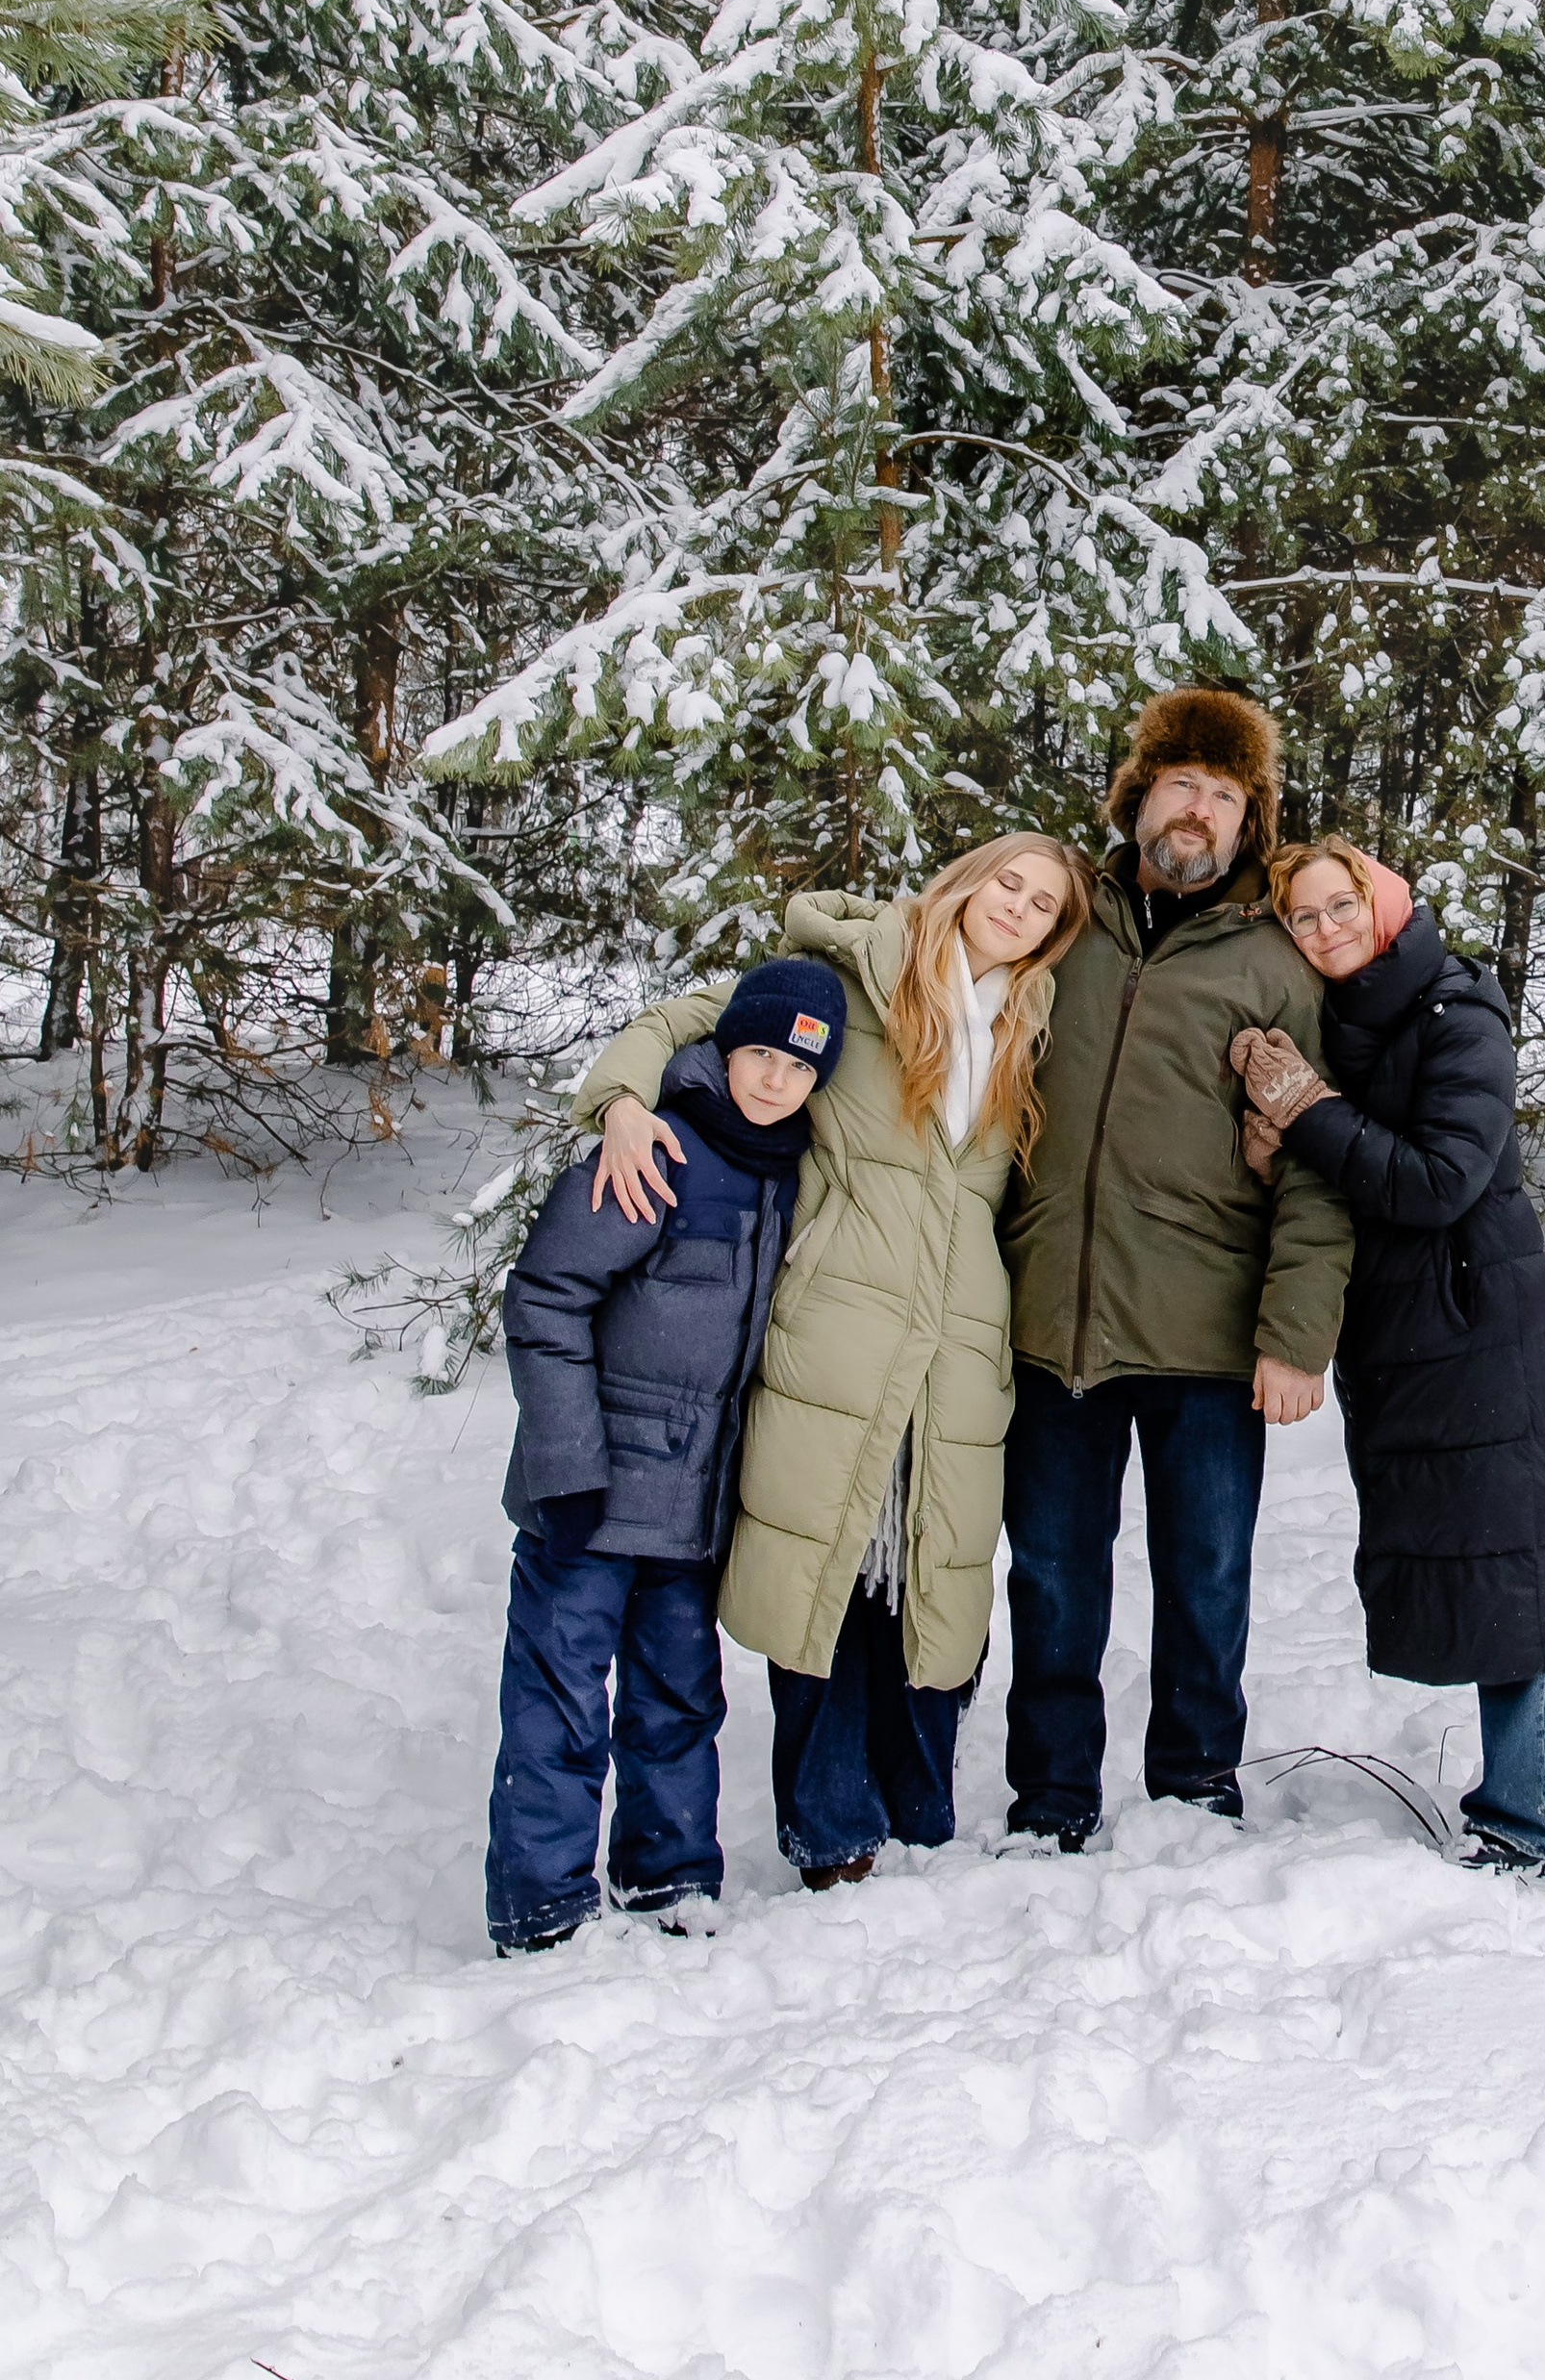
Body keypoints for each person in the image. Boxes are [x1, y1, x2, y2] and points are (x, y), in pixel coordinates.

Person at [577, 834, 1091, 1886]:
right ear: (965, 878)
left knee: (932, 1575)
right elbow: (685, 1023)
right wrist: (622, 1104)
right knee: (825, 1571)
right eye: (1009, 882)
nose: (1019, 909)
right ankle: (828, 1831)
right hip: (837, 1331)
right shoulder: (851, 982)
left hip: (958, 1346)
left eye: (1044, 905)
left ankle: (916, 1817)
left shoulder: (1031, 1027)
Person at [1230, 836, 1545, 1874]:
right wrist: (1283, 1140)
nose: (1322, 930)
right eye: (1301, 918)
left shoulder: (1458, 1009)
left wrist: (1311, 1115)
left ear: (1384, 901)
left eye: (1338, 906)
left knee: (1511, 1579)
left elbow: (1438, 1179)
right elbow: (1347, 1163)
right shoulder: (1347, 1019)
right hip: (1408, 1344)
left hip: (1479, 1331)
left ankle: (1519, 1823)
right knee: (1501, 1570)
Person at [997, 688, 1356, 1848]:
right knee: (1052, 1579)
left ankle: (1195, 1786)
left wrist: (1297, 1332)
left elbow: (1315, 1160)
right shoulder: (1064, 920)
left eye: (1224, 792)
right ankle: (1050, 1796)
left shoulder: (1276, 960)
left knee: (1203, 1578)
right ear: (1137, 792)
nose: (1197, 809)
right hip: (1055, 1317)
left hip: (1206, 1335)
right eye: (1180, 783)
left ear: (1250, 818)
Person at [485, 955, 848, 1954]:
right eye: (761, 1055)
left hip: (694, 1506)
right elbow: (546, 1299)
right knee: (560, 1702)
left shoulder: (795, 1175)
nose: (775, 1081)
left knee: (678, 1698)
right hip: (592, 1496)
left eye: (800, 1068)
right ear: (726, 1047)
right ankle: (542, 1903)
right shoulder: (659, 1150)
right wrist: (565, 1463)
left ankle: (669, 1877)